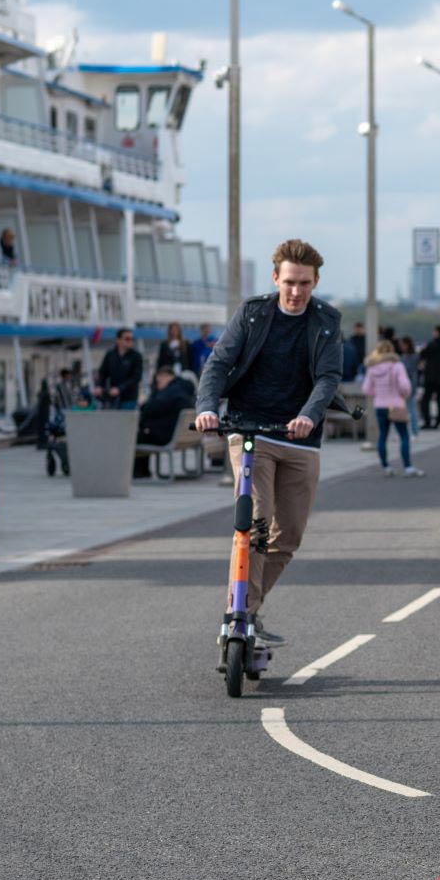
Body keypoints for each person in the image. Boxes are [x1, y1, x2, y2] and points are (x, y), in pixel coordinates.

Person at [194, 239, 344, 646]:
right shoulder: (253, 313)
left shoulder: (327, 320)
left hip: (299, 439)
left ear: (315, 283)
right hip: (249, 433)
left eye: (305, 284)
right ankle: (236, 613)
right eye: (290, 282)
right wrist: (208, 408)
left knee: (288, 535)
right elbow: (219, 363)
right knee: (255, 524)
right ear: (275, 277)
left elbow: (328, 378)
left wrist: (308, 417)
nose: (296, 292)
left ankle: (249, 609)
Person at [362, 339, 423, 476]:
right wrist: (403, 395)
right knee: (404, 436)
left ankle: (386, 467)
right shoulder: (397, 365)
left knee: (383, 435)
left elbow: (366, 389)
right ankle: (407, 467)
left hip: (380, 405)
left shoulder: (372, 368)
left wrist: (377, 394)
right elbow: (405, 386)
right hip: (396, 404)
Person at [134, 366, 196, 476]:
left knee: (133, 437)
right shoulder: (185, 389)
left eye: (157, 381)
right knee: (143, 433)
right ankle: (142, 471)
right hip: (179, 435)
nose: (157, 385)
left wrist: (152, 395)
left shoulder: (171, 391)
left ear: (164, 377)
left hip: (166, 435)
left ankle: (139, 472)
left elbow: (148, 408)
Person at [95, 328, 144, 408]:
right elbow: (103, 372)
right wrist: (99, 386)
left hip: (129, 397)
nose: (130, 341)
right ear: (118, 340)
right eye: (127, 339)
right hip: (112, 396)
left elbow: (136, 377)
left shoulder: (136, 356)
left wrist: (120, 389)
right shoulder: (110, 355)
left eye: (132, 339)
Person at [418, 326, 440, 429]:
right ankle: (438, 421)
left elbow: (422, 354)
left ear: (437, 332)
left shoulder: (431, 344)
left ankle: (427, 421)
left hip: (430, 376)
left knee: (426, 399)